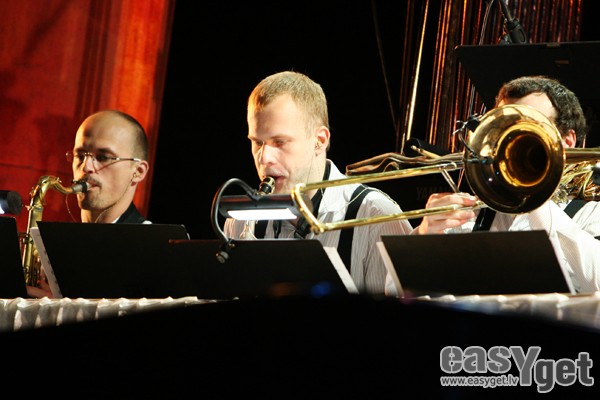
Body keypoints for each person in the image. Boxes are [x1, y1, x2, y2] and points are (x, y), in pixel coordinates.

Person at [387, 75, 600, 295]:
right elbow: (395, 292)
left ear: (567, 142)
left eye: (530, 126)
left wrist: (535, 195)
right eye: (503, 127)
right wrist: (425, 238)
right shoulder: (469, 216)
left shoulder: (592, 215)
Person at [223, 71, 413, 294]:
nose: (264, 158)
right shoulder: (239, 221)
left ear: (319, 141)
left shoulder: (377, 217)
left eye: (280, 142)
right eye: (257, 142)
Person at [26, 109, 151, 298]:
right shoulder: (54, 249)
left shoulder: (153, 250)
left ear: (138, 172)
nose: (86, 167)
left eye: (103, 157)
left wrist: (62, 307)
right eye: (80, 155)